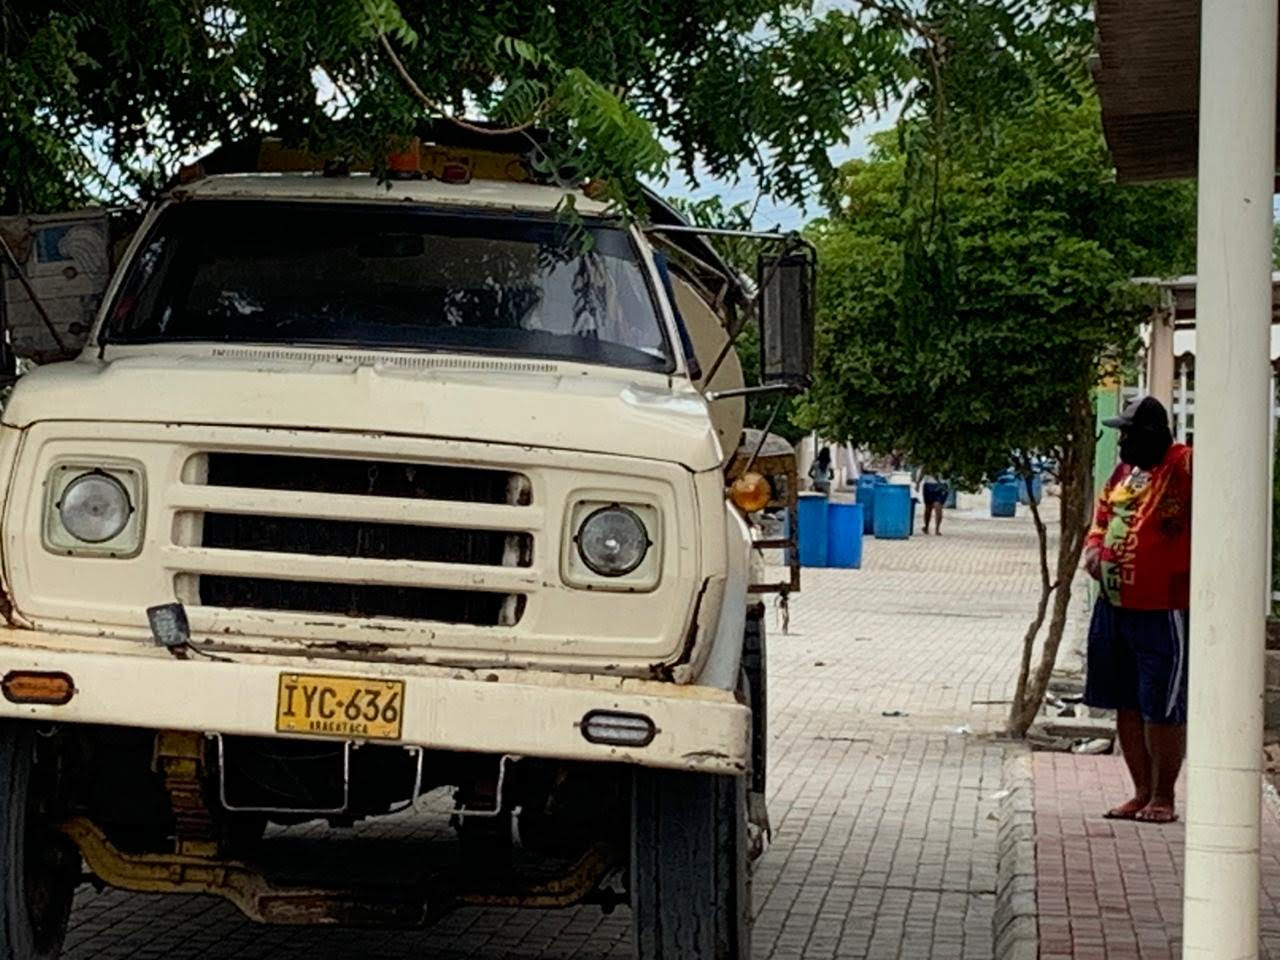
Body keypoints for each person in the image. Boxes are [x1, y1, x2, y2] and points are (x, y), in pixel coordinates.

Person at [1083, 396, 1191, 824]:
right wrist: (1094, 547)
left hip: (1163, 607)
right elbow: (1103, 513)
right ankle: (1140, 792)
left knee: (1161, 704)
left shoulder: (1183, 465)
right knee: (1123, 700)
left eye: (1128, 433)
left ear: (1149, 434)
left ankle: (1163, 796)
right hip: (1113, 605)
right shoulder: (1124, 473)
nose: (1123, 440)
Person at [915, 468, 948, 535]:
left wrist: (918, 483)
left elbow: (923, 470)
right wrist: (918, 483)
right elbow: (923, 470)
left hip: (936, 484)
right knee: (930, 507)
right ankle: (930, 528)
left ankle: (934, 528)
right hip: (932, 484)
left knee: (935, 506)